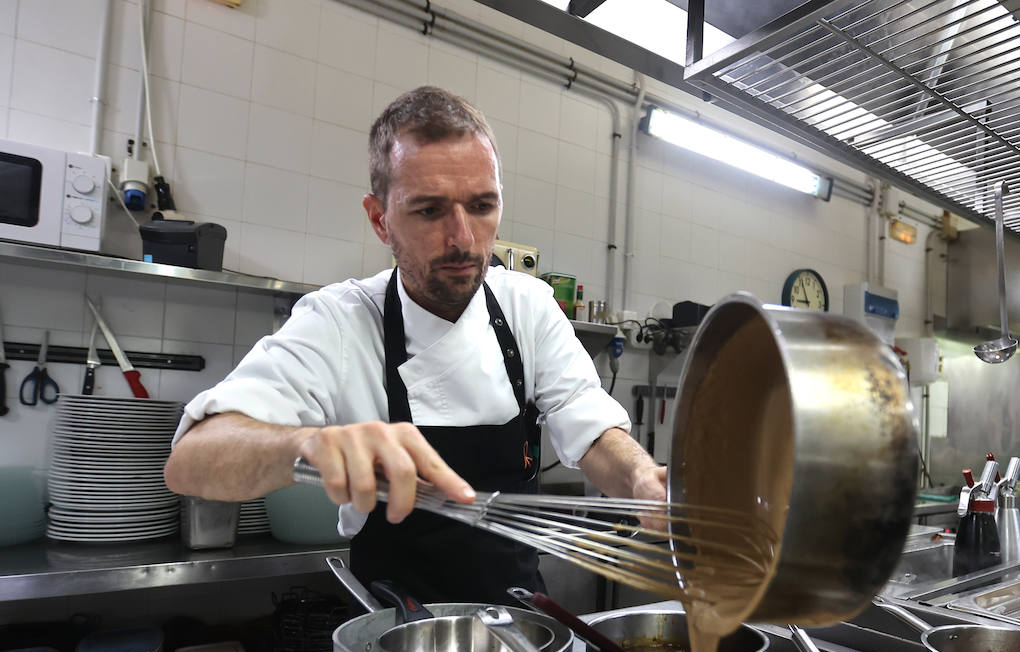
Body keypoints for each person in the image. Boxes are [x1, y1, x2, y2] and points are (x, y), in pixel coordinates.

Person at [165, 86, 665, 600]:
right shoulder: (339, 320)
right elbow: (191, 460)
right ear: (379, 219)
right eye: (429, 210)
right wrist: (304, 444)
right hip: (392, 631)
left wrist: (641, 478)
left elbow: (592, 428)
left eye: (482, 206)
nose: (464, 239)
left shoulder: (527, 307)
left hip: (520, 621)